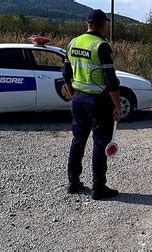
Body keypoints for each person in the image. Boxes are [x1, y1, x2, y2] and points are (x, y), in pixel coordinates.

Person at [62, 9, 121, 200]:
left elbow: (65, 74)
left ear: (88, 24)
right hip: (97, 101)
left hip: (78, 99)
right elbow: (110, 80)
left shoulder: (73, 43)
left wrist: (73, 94)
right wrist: (117, 106)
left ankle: (73, 181)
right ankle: (98, 187)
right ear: (101, 25)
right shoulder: (101, 46)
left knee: (78, 140)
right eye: (105, 24)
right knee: (100, 143)